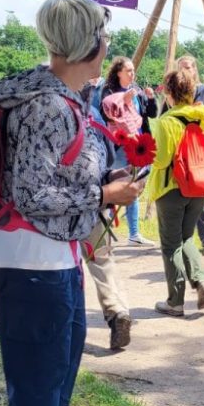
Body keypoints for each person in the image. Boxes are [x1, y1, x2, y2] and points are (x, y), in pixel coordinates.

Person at [0, 0, 143, 406]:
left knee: (62, 357)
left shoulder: (65, 96)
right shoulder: (46, 106)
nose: (108, 46)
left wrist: (102, 185)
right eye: (103, 36)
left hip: (56, 253)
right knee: (36, 374)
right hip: (32, 256)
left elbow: (57, 177)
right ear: (91, 45)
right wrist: (104, 198)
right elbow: (31, 192)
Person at [147, 66, 204, 317]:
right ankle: (201, 281)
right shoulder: (203, 116)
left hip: (171, 188)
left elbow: (162, 159)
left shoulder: (167, 122)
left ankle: (175, 301)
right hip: (198, 186)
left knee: (170, 245)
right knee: (187, 237)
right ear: (191, 90)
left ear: (168, 93)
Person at [85, 96, 134, 350]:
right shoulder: (92, 113)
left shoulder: (48, 106)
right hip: (96, 199)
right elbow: (107, 158)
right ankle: (118, 310)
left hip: (65, 206)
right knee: (101, 259)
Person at [102, 55, 156, 247]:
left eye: (133, 70)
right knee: (114, 186)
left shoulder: (137, 91)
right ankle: (104, 231)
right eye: (128, 70)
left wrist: (150, 98)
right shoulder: (108, 92)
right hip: (119, 145)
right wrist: (122, 99)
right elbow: (106, 115)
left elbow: (151, 113)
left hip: (139, 144)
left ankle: (134, 233)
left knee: (134, 185)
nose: (133, 74)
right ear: (118, 72)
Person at [175, 54, 204, 255]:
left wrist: (203, 131)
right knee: (177, 192)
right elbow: (163, 116)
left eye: (189, 67)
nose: (186, 70)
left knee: (198, 192)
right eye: (182, 67)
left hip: (198, 150)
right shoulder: (173, 92)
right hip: (177, 148)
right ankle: (181, 239)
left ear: (195, 69)